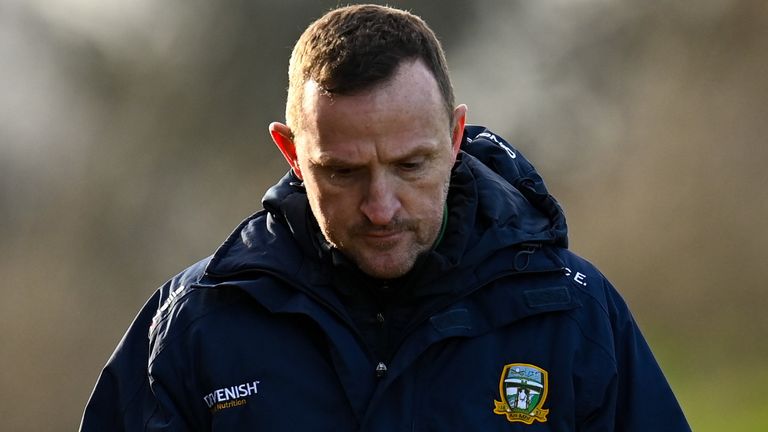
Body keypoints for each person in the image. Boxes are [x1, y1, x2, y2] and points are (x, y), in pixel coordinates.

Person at [80, 4, 691, 431]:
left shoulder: (573, 317)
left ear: (455, 138)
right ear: (292, 154)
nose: (381, 208)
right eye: (343, 172)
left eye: (410, 165)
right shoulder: (195, 329)